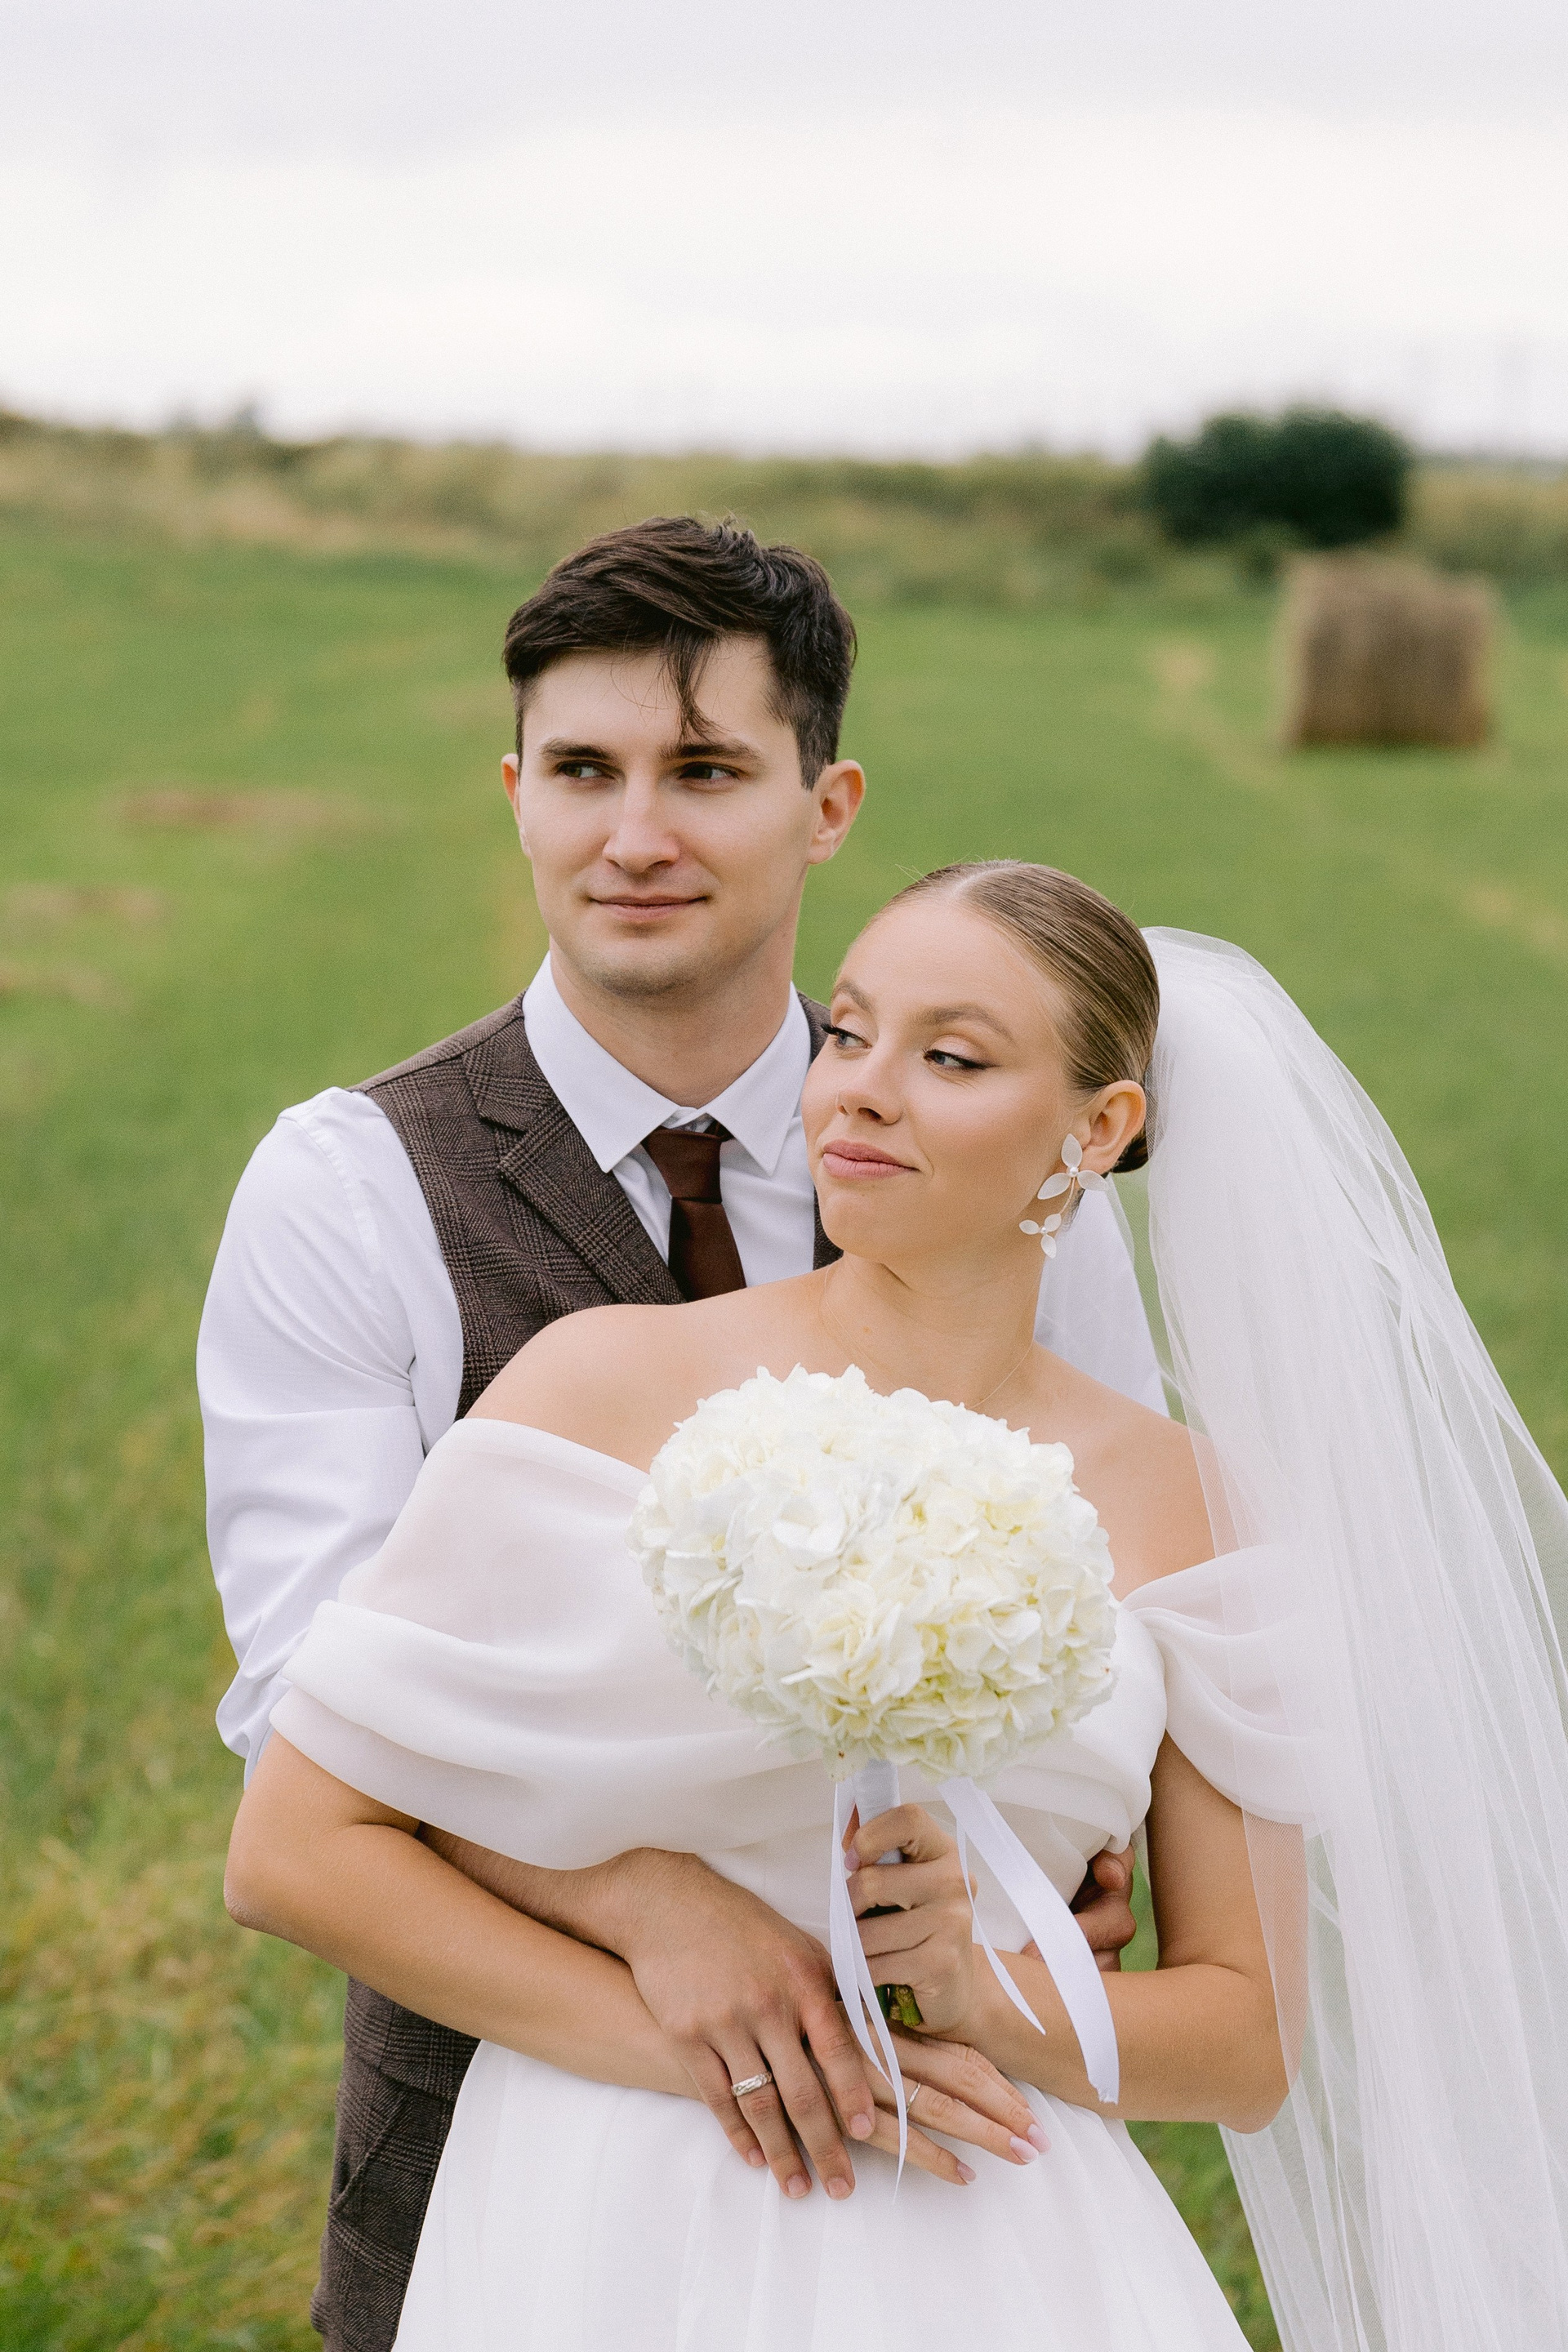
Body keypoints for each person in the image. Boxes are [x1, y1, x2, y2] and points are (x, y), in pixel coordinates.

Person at [225, 859, 1568, 2352]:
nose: (860, 1089)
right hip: (608, 2202)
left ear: (1097, 1130)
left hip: (992, 2224)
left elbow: (1246, 2040)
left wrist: (983, 1996)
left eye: (953, 1059)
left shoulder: (1189, 1508)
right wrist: (710, 2051)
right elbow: (295, 1853)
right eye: (851, 1033)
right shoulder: (603, 1386)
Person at [198, 523, 1160, 2346]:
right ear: (516, 795)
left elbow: (1113, 1600)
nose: (634, 835)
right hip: (509, 2125)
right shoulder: (349, 1187)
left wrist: (1052, 1878)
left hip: (953, 2164)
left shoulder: (1010, 1179)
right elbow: (311, 1712)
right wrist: (643, 1901)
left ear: (827, 805)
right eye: (583, 770)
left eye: (706, 770)